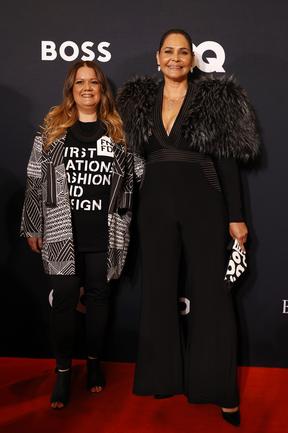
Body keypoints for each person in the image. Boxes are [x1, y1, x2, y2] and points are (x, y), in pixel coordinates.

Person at [117, 29, 260, 426]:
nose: (176, 58)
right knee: (158, 291)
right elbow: (130, 160)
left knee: (212, 295)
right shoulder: (140, 102)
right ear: (157, 57)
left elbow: (228, 161)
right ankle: (162, 377)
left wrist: (236, 215)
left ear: (192, 59)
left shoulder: (214, 98)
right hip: (155, 208)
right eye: (169, 51)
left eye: (183, 52)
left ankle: (220, 391)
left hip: (205, 204)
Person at [21, 60, 133, 409]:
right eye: (80, 82)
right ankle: (64, 371)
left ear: (102, 90)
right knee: (65, 302)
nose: (87, 88)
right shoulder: (51, 131)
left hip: (105, 232)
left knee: (99, 298)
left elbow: (133, 180)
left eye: (94, 82)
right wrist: (32, 223)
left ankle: (95, 363)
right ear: (71, 89)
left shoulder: (119, 134)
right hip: (59, 232)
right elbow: (34, 181)